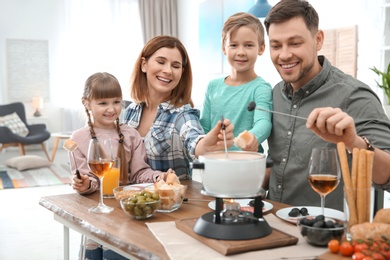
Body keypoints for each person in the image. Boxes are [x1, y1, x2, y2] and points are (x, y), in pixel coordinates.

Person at [263, 0, 390, 211]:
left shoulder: (354, 95)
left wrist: (352, 142)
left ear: (318, 39)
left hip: (327, 237)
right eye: (276, 45)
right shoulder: (276, 93)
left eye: (295, 43)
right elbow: (277, 162)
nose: (284, 54)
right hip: (273, 227)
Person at [70, 72, 168, 260]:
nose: (111, 109)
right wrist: (83, 184)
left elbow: (140, 172)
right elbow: (86, 179)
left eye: (116, 101)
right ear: (86, 102)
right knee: (93, 250)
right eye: (103, 103)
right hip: (95, 213)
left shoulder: (131, 135)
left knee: (116, 253)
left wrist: (158, 177)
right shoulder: (78, 139)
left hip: (126, 212)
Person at [123, 35, 234, 179]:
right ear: (144, 64)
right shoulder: (131, 111)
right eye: (161, 62)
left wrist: (204, 146)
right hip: (130, 199)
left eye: (175, 66)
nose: (168, 70)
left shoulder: (182, 115)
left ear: (181, 72)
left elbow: (194, 140)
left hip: (170, 200)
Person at [200, 12, 272, 153]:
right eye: (233, 45)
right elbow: (204, 128)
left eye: (248, 45)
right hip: (215, 162)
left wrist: (253, 137)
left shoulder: (261, 88)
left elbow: (263, 122)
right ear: (223, 48)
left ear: (261, 48)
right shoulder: (212, 86)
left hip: (247, 163)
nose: (241, 52)